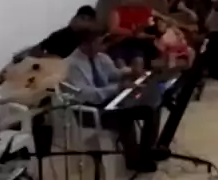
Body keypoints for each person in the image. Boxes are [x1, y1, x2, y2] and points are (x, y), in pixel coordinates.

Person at [65, 29, 162, 172]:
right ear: (86, 44)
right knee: (125, 118)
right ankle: (133, 161)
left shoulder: (100, 57)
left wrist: (131, 71)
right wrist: (117, 88)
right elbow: (87, 94)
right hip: (90, 111)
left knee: (150, 110)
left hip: (109, 103)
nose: (103, 46)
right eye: (99, 43)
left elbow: (113, 74)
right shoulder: (72, 65)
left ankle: (147, 152)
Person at [108, 0, 162, 67]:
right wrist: (133, 33)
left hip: (140, 44)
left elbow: (163, 18)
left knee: (139, 62)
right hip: (121, 42)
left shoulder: (146, 10)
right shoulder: (117, 11)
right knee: (121, 63)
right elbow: (113, 29)